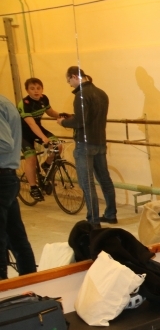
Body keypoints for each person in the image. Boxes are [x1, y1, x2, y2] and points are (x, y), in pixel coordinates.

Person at [57, 66, 117, 226]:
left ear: (74, 76)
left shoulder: (81, 95)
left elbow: (80, 122)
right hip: (100, 142)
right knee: (104, 179)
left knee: (87, 182)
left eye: (69, 81)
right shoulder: (101, 93)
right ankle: (111, 214)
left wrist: (63, 122)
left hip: (84, 144)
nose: (69, 85)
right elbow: (90, 117)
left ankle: (93, 220)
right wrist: (73, 117)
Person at [0, 94, 37, 279]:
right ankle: (30, 281)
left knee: (11, 238)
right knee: (16, 237)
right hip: (6, 177)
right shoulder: (4, 102)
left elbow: (4, 144)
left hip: (2, 177)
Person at [18, 78, 60, 202]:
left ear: (42, 89)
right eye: (32, 89)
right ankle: (33, 187)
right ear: (27, 90)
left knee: (58, 146)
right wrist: (43, 137)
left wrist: (63, 115)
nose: (36, 91)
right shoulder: (24, 103)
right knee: (31, 158)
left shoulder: (44, 98)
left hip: (38, 128)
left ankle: (46, 165)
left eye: (38, 88)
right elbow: (31, 124)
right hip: (24, 133)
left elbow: (50, 112)